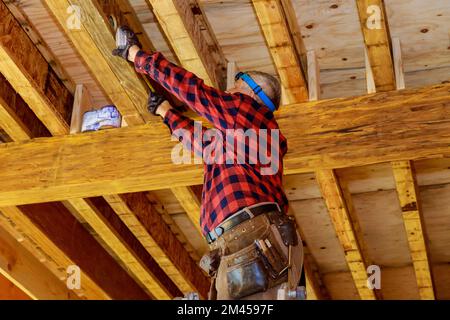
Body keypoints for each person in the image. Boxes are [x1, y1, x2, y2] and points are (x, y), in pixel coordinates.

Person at [113, 26, 304, 300]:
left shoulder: (249, 112)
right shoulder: (247, 137)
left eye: (238, 82)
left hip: (249, 238)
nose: (229, 89)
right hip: (249, 240)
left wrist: (138, 56)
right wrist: (166, 112)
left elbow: (197, 93)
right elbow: (205, 145)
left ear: (254, 92)